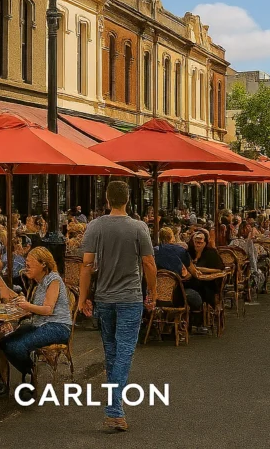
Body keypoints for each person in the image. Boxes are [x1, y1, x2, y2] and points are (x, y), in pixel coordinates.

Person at [77, 180, 156, 432]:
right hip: (129, 297)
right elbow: (149, 264)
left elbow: (87, 265)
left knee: (111, 351)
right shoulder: (138, 227)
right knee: (124, 352)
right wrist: (152, 292)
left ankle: (115, 405)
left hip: (104, 297)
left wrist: (82, 297)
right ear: (128, 200)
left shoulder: (94, 227)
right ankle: (114, 409)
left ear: (108, 200)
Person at [0, 247, 73, 397]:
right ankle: (28, 371)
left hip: (57, 326)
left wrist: (27, 305)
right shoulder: (37, 284)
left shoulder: (53, 279)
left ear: (43, 264)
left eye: (29, 265)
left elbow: (48, 309)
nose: (26, 268)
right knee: (4, 342)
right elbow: (8, 294)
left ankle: (30, 374)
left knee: (16, 346)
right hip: (39, 324)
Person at [153, 228, 204, 319]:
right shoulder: (180, 250)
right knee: (196, 291)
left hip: (155, 295)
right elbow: (194, 272)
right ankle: (196, 321)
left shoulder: (153, 252)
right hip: (176, 295)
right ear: (172, 237)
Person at [185, 228, 225, 309]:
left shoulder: (211, 253)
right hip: (192, 280)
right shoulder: (189, 252)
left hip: (209, 282)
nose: (197, 244)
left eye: (200, 243)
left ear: (205, 243)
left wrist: (200, 269)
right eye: (195, 242)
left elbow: (219, 270)